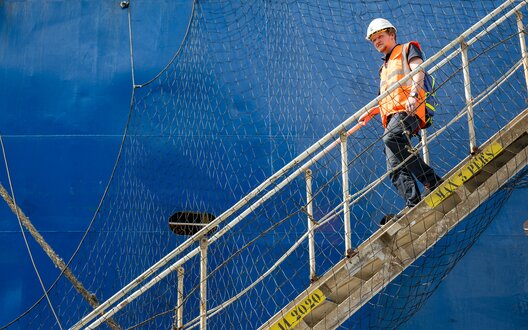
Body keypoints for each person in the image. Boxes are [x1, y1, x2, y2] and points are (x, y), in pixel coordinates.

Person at [359, 18, 443, 216]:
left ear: (392, 35)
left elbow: (418, 70)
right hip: (391, 115)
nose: (377, 41)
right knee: (393, 167)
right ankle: (413, 204)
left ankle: (431, 180)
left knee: (392, 138)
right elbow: (386, 97)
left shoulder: (407, 49)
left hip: (409, 108)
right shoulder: (384, 68)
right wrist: (370, 113)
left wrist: (414, 95)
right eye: (373, 40)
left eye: (380, 36)